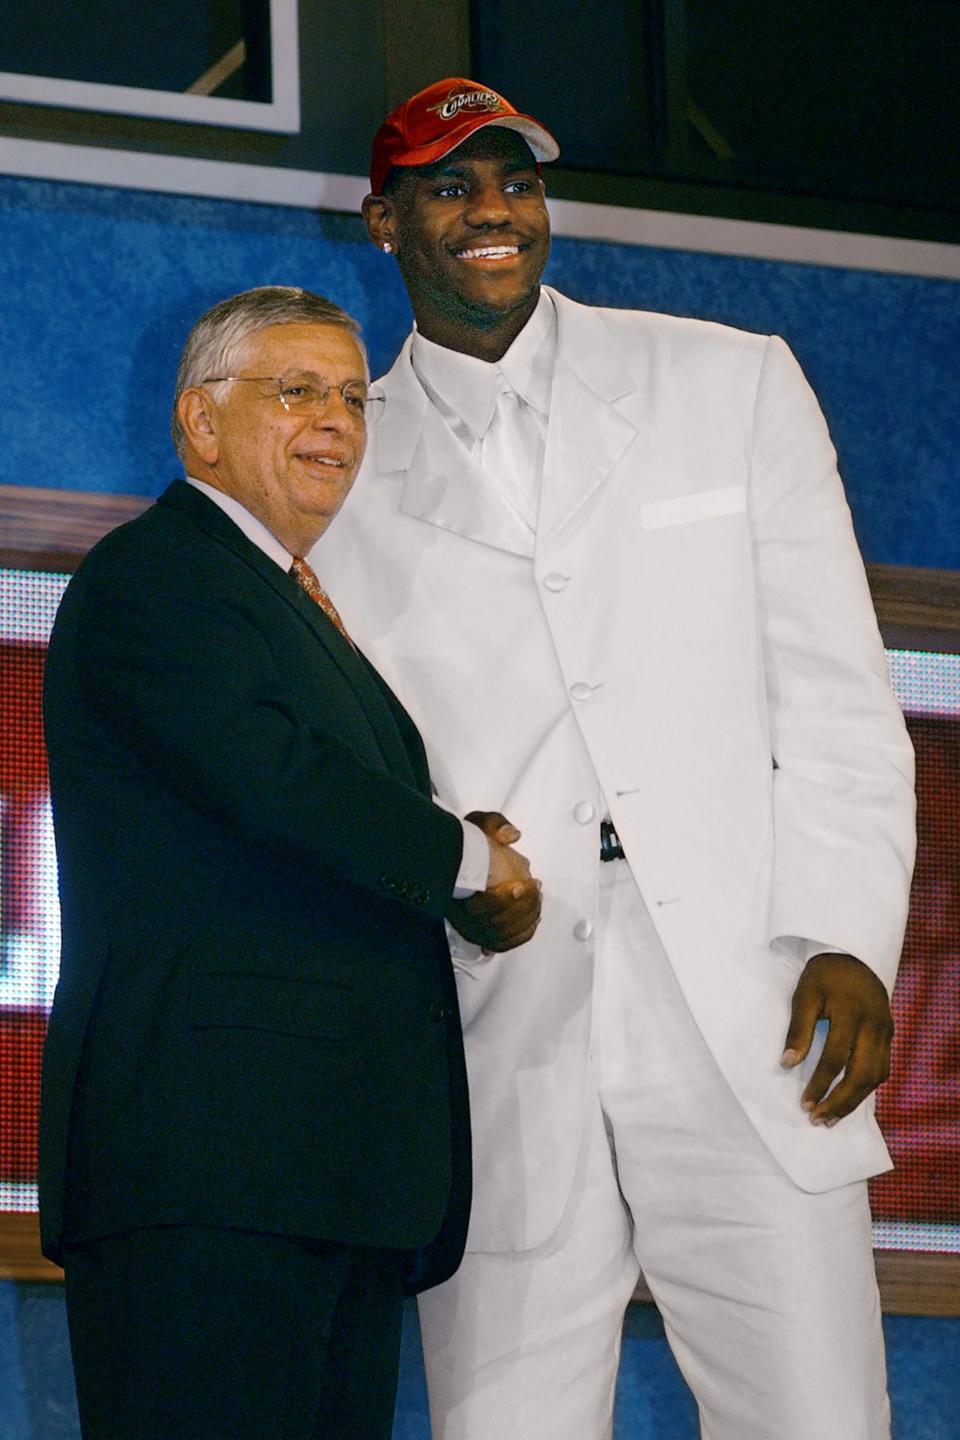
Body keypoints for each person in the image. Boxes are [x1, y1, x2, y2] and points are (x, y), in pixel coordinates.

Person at [309, 80, 917, 1440]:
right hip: (493, 1015)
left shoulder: (727, 379)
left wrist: (848, 936)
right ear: (383, 220)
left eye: (515, 182)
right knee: (505, 1420)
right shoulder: (341, 461)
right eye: (451, 187)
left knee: (817, 1417)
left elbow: (834, 695)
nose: (493, 212)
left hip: (750, 1003)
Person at [39, 284, 541, 1440]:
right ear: (200, 424)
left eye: (355, 400)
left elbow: (309, 821)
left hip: (328, 1170)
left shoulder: (283, 601)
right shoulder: (158, 575)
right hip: (210, 1169)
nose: (336, 422)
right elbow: (277, 781)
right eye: (296, 391)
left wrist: (450, 872)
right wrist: (468, 861)